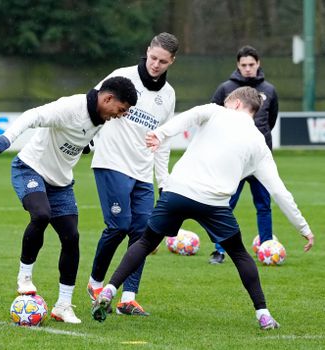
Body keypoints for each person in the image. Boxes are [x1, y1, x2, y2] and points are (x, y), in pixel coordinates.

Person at [91, 87, 314, 330]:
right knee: (239, 254)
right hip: (214, 204)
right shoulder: (259, 142)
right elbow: (278, 190)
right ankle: (264, 314)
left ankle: (109, 290)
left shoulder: (216, 112)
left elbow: (190, 115)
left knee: (145, 242)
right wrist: (303, 227)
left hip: (178, 192)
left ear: (237, 104)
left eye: (228, 102)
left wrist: (161, 134)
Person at [0, 76, 138, 324]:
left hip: (61, 183)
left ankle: (63, 306)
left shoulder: (100, 117)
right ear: (107, 98)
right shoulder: (71, 107)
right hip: (30, 168)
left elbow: (81, 134)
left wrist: (87, 144)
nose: (120, 115)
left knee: (72, 237)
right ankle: (24, 277)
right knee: (41, 215)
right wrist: (7, 138)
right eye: (120, 110)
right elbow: (32, 115)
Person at [87, 32, 178, 316]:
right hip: (111, 162)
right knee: (118, 225)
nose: (155, 65)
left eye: (163, 61)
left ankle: (128, 297)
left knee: (143, 234)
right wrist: (86, 138)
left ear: (171, 61)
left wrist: (163, 181)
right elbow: (92, 103)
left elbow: (163, 140)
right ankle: (96, 283)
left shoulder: (169, 95)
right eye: (153, 58)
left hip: (142, 172)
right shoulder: (122, 76)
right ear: (147, 50)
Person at [208, 45, 279, 264]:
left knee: (264, 205)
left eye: (251, 64)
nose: (248, 68)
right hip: (235, 159)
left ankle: (267, 248)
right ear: (238, 65)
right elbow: (212, 116)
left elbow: (271, 119)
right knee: (227, 204)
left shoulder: (269, 90)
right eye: (243, 65)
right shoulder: (225, 88)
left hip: (259, 160)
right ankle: (219, 250)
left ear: (258, 64)